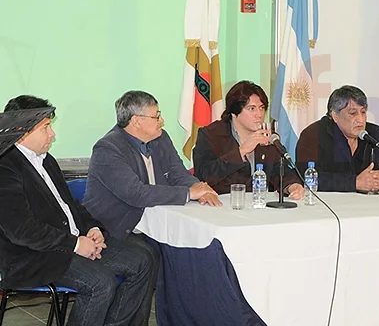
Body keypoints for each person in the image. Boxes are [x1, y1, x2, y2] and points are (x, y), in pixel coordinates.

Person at [0, 95, 152, 326]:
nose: (53, 135)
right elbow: (23, 231)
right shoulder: (5, 167)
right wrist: (76, 244)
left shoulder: (46, 160)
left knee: (143, 260)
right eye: (46, 127)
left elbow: (71, 206)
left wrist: (93, 228)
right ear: (22, 130)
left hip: (68, 243)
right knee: (100, 283)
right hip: (32, 257)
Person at [83, 90, 221, 326]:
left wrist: (200, 188)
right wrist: (189, 193)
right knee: (148, 258)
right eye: (156, 116)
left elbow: (178, 173)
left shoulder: (161, 138)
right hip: (113, 229)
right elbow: (135, 193)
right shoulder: (108, 149)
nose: (162, 121)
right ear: (137, 121)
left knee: (188, 249)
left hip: (152, 224)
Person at [193, 80, 304, 197]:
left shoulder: (267, 137)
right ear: (234, 112)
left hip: (258, 206)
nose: (259, 114)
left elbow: (280, 171)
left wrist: (292, 185)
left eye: (262, 108)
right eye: (252, 109)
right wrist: (242, 151)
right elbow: (204, 175)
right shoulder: (211, 135)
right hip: (221, 206)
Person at [296, 85, 379, 192]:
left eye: (363, 112)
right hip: (330, 205)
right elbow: (305, 177)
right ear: (335, 116)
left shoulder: (375, 134)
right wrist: (354, 183)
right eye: (353, 113)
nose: (360, 120)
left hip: (371, 205)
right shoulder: (313, 135)